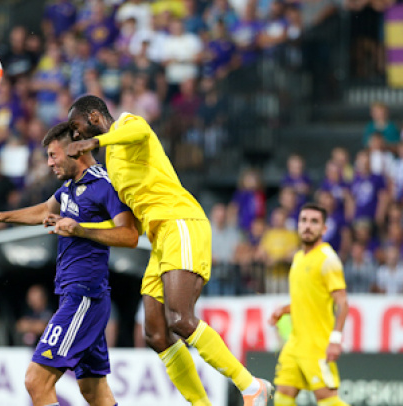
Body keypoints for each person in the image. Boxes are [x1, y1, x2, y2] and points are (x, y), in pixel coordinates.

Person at [66, 95, 272, 406]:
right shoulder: (113, 163)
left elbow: (141, 133)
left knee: (180, 318)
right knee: (156, 334)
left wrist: (93, 144)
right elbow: (130, 230)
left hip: (181, 223)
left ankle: (251, 385)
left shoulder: (127, 124)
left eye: (76, 126)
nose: (75, 134)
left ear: (94, 116)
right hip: (159, 239)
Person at [0, 122, 138, 406]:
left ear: (75, 151)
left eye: (53, 155)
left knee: (36, 380)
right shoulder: (70, 187)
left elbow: (130, 235)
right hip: (76, 297)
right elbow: (44, 211)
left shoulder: (103, 184)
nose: (49, 163)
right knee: (94, 393)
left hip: (84, 297)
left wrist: (81, 230)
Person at [268, 203, 350, 406]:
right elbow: (306, 299)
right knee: (282, 396)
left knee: (327, 400)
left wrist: (335, 339)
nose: (307, 226)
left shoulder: (328, 260)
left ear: (324, 229)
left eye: (314, 222)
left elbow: (342, 302)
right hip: (295, 343)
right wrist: (284, 310)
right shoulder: (298, 258)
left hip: (317, 345)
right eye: (303, 220)